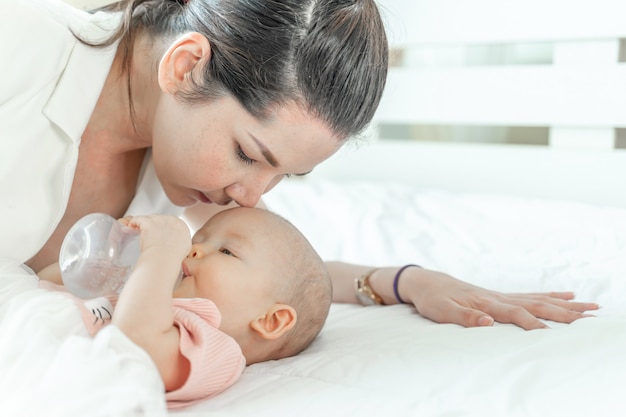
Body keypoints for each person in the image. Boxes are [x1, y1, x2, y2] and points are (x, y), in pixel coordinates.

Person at [0, 0, 597, 336]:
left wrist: (405, 281)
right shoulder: (18, 47)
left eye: (285, 176)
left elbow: (265, 275)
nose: (253, 197)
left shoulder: (191, 169)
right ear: (185, 67)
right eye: (250, 155)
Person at [38, 207, 332, 409]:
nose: (193, 249)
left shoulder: (220, 352)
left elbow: (135, 346)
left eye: (226, 251)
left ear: (271, 320)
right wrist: (108, 253)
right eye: (196, 240)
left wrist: (161, 253)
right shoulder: (147, 294)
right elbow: (44, 283)